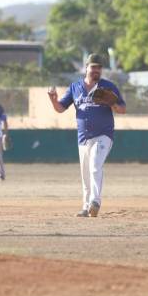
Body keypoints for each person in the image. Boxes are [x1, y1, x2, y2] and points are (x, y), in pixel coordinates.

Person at [48, 54, 126, 217]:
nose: (96, 70)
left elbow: (122, 109)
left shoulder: (108, 87)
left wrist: (111, 103)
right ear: (86, 67)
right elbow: (61, 108)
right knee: (85, 174)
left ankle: (95, 202)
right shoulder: (75, 87)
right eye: (93, 67)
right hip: (83, 137)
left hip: (103, 134)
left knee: (95, 165)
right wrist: (53, 100)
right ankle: (86, 207)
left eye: (99, 67)